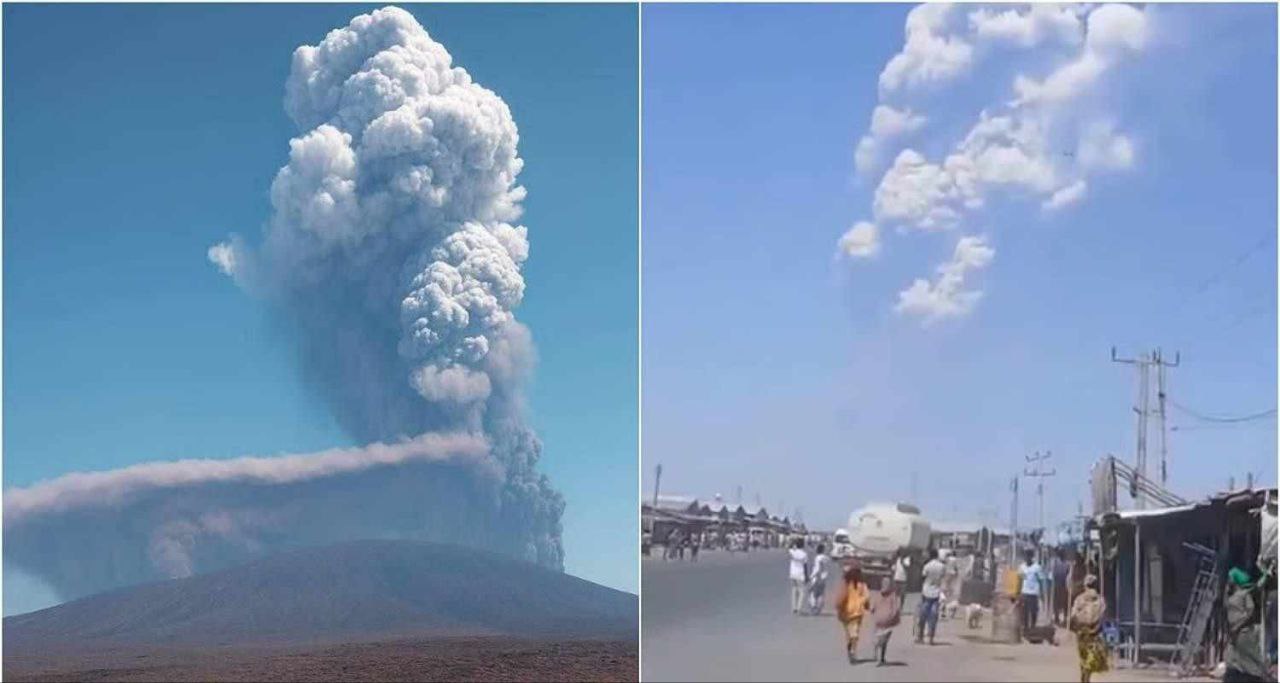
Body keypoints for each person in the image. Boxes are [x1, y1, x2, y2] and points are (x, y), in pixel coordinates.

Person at [1224, 567, 1269, 682]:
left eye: (1230, 579)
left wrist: (1239, 625)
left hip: (1244, 632)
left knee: (1251, 657)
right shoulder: (1232, 595)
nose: (1228, 581)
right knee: (1235, 658)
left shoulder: (1244, 594)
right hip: (1235, 633)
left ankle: (1261, 677)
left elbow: (1250, 611)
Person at [1069, 574, 1108, 683]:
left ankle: (1085, 675)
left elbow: (1073, 615)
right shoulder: (1100, 600)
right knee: (1091, 656)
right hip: (1095, 632)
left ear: (1085, 585)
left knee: (1083, 656)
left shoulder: (1079, 599)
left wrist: (1075, 628)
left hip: (1082, 632)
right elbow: (1103, 616)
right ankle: (1086, 676)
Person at [836, 560, 871, 664]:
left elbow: (840, 597)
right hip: (854, 612)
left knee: (850, 634)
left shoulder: (847, 583)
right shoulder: (859, 584)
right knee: (853, 634)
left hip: (848, 613)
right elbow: (866, 596)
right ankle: (852, 650)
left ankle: (851, 650)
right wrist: (864, 603)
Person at [870, 576, 903, 666]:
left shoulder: (882, 595)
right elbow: (896, 608)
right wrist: (894, 615)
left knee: (881, 639)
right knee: (884, 641)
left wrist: (873, 611)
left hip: (882, 622)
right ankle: (880, 656)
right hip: (885, 622)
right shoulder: (890, 595)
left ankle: (879, 654)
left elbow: (872, 607)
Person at [917, 548, 945, 644]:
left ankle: (920, 636)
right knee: (934, 616)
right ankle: (931, 638)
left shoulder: (927, 566)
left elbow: (923, 577)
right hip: (936, 593)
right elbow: (942, 577)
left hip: (926, 592)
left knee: (923, 615)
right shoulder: (942, 566)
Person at [1018, 549, 1046, 640]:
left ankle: (1033, 628)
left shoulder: (1037, 567)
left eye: (1028, 556)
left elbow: (1041, 581)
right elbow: (1019, 580)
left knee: (1033, 612)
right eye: (1025, 556)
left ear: (1031, 557)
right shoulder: (1022, 567)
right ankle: (1025, 630)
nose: (1027, 558)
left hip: (1034, 593)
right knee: (1024, 613)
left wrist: (1042, 593)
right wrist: (1018, 592)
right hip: (1024, 593)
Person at [809, 543, 831, 615]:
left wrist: (811, 576)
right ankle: (819, 607)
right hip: (824, 578)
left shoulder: (817, 558)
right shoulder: (826, 558)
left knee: (813, 593)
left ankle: (813, 606)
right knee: (821, 593)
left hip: (817, 578)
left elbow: (817, 569)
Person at [789, 538, 809, 614]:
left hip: (792, 573)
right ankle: (799, 608)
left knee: (794, 590)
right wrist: (806, 576)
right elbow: (805, 566)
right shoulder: (804, 554)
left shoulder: (792, 552)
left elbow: (789, 547)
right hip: (800, 574)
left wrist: (793, 543)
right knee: (801, 592)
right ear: (803, 545)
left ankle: (794, 607)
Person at [1052, 549, 1071, 626]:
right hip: (1057, 584)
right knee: (1056, 602)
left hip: (1063, 584)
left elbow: (1068, 574)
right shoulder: (1055, 562)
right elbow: (1053, 573)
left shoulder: (1067, 564)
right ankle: (1057, 617)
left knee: (1064, 602)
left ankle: (1065, 617)